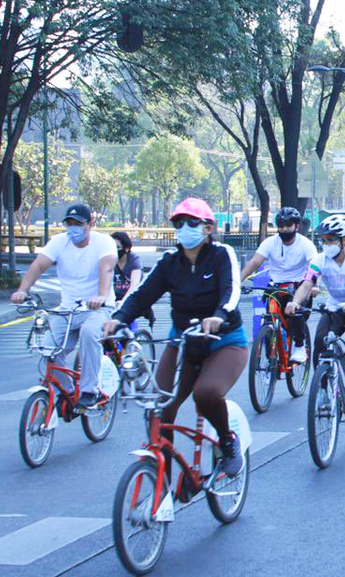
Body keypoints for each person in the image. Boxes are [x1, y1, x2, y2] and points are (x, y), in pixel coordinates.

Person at [105, 197, 249, 480]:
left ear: (208, 228)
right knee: (157, 405)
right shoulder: (170, 261)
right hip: (183, 342)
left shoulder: (222, 254)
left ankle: (228, 442)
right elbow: (142, 294)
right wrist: (118, 318)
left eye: (192, 222)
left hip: (224, 341)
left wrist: (219, 315)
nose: (184, 228)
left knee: (205, 393)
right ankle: (162, 482)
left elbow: (232, 291)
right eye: (178, 223)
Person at [12, 204, 117, 407]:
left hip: (98, 308)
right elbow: (38, 266)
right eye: (69, 223)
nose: (73, 228)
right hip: (67, 310)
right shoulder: (59, 242)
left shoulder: (103, 242)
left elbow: (107, 268)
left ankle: (89, 390)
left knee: (89, 333)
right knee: (47, 347)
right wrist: (22, 290)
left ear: (90, 224)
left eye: (78, 224)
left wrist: (102, 296)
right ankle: (67, 392)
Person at [285, 213, 345, 420]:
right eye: (324, 240)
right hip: (335, 308)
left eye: (331, 240)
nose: (326, 244)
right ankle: (321, 391)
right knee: (319, 344)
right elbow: (307, 283)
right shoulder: (320, 260)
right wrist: (295, 302)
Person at [239, 207, 317, 363]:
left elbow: (313, 268)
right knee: (268, 319)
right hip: (275, 286)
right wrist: (237, 281)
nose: (284, 229)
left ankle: (300, 346)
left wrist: (314, 286)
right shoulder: (270, 243)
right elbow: (254, 262)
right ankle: (271, 360)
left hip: (298, 286)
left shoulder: (306, 245)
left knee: (294, 311)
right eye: (281, 226)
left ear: (296, 226)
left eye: (288, 226)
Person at [110, 231, 154, 328]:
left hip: (133, 297)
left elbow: (134, 285)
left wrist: (124, 301)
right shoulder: (110, 259)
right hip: (115, 297)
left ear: (126, 248)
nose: (113, 251)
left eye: (116, 247)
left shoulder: (133, 259)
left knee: (127, 322)